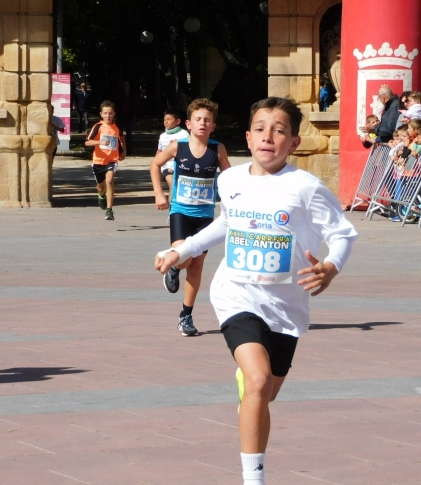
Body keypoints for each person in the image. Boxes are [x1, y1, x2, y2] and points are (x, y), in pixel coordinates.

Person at [154, 96, 358, 485]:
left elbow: (344, 234)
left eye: (279, 130)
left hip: (286, 308)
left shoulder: (306, 188)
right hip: (236, 296)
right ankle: (254, 480)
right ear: (248, 138)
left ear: (294, 142)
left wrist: (330, 267)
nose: (269, 137)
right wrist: (182, 249)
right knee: (260, 382)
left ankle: (249, 389)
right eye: (261, 129)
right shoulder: (230, 180)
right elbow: (225, 224)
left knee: (265, 393)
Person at [149, 98, 231, 337]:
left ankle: (186, 315)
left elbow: (230, 178)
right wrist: (158, 194)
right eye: (198, 119)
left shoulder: (218, 149)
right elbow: (155, 165)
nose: (203, 123)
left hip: (205, 216)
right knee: (184, 257)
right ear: (189, 123)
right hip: (181, 212)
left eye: (207, 120)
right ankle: (171, 263)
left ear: (213, 126)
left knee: (196, 266)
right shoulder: (178, 146)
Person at [85, 100, 126, 221]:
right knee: (100, 187)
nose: (108, 116)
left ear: (114, 114)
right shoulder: (98, 127)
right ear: (101, 114)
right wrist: (100, 142)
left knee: (110, 180)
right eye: (106, 113)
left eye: (110, 113)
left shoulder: (117, 127)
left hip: (112, 160)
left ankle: (109, 210)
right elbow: (87, 142)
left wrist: (123, 151)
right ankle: (101, 195)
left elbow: (122, 138)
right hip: (98, 161)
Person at [157, 108, 190, 201]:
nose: (166, 122)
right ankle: (172, 210)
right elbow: (159, 151)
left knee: (179, 188)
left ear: (178, 121)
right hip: (167, 166)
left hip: (181, 166)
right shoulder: (163, 136)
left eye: (169, 119)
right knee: (173, 185)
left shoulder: (184, 134)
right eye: (164, 119)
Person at [115, 80, 141, 155]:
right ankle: (119, 149)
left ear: (129, 86)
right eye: (124, 85)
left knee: (129, 134)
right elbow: (116, 104)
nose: (126, 87)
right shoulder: (119, 95)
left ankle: (129, 150)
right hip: (120, 116)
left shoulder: (132, 95)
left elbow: (136, 105)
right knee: (119, 133)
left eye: (127, 85)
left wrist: (135, 114)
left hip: (129, 116)